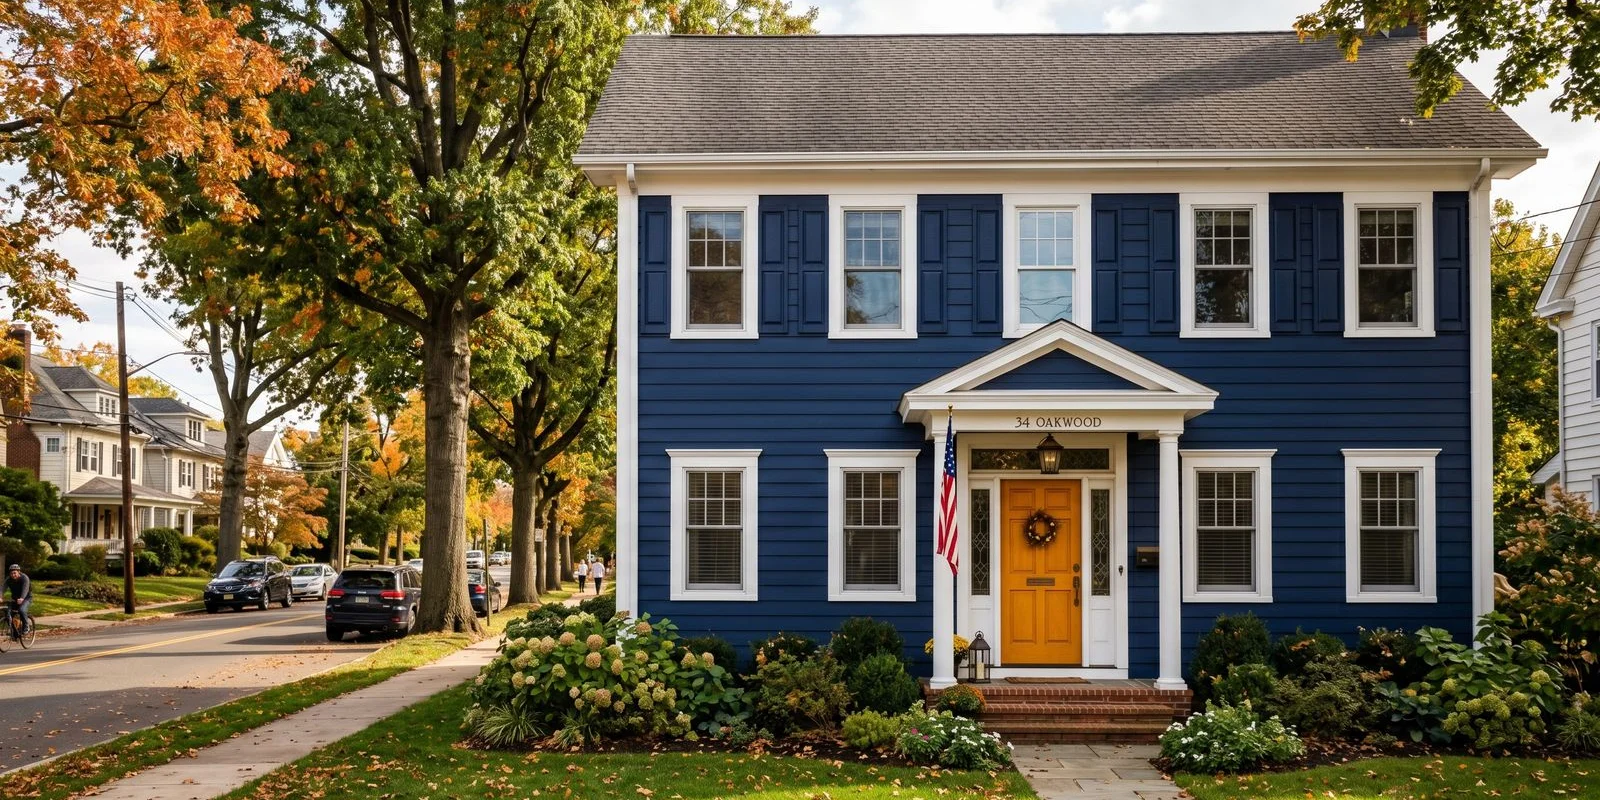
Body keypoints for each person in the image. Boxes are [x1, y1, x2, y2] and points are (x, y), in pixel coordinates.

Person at [6, 563, 31, 637]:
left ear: (19, 572)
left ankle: (26, 627)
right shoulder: (9, 579)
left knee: (22, 610)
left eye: (14, 573)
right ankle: (15, 632)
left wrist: (22, 598)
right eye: (11, 573)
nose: (13, 575)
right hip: (15, 599)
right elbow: (2, 588)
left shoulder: (24, 578)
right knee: (8, 615)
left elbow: (25, 589)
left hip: (26, 598)